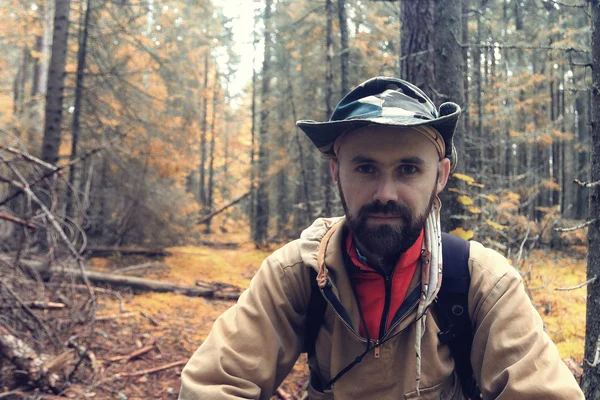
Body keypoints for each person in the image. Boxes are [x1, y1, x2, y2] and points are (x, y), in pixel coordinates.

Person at [178, 77, 584, 399]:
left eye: (408, 169)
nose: (385, 193)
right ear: (337, 173)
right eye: (366, 168)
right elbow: (211, 386)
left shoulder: (480, 282)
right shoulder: (297, 274)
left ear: (439, 176)